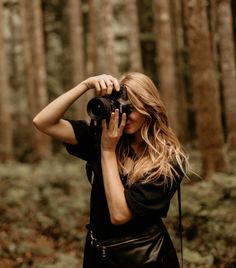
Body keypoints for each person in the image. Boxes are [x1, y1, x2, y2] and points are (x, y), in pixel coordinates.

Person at [33, 72, 189, 268]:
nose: (125, 115)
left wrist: (108, 151)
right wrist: (85, 85)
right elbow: (43, 122)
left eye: (131, 107)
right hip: (98, 254)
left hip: (145, 257)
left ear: (149, 107)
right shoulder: (102, 136)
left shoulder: (169, 161)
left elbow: (119, 215)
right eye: (121, 107)